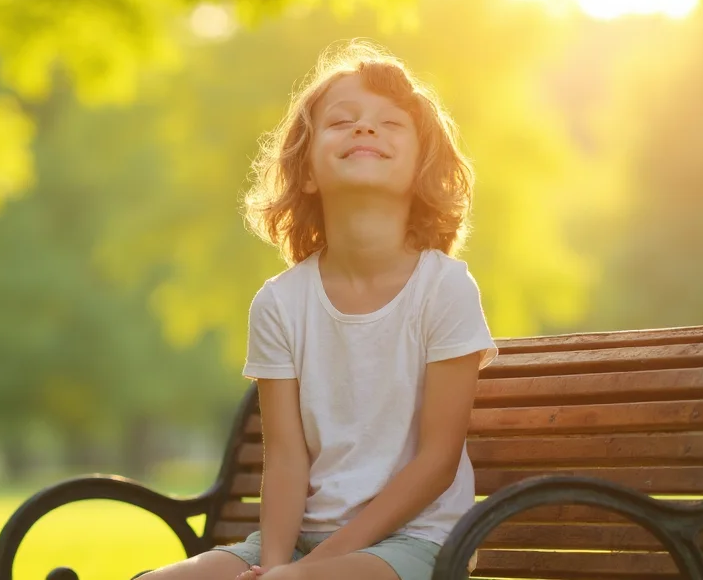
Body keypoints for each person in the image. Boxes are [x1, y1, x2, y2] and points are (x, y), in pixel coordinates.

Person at [141, 40, 495, 580]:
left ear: (420, 169)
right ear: (307, 171)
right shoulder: (280, 303)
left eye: (389, 123)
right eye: (343, 121)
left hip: (420, 543)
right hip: (299, 545)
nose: (364, 129)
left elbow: (436, 463)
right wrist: (277, 566)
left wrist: (309, 569)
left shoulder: (444, 288)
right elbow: (285, 460)